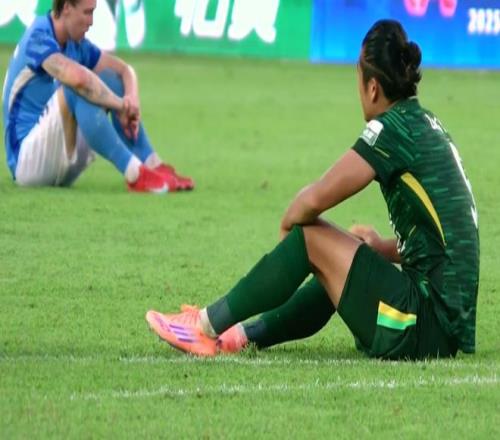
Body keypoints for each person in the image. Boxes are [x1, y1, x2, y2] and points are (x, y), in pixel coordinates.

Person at [146, 19, 479, 360]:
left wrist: (289, 231)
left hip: (420, 327)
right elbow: (444, 247)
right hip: (439, 330)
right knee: (340, 248)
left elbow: (314, 199)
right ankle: (240, 336)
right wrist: (379, 248)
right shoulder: (426, 124)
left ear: (372, 87)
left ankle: (203, 327)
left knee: (310, 238)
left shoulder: (391, 130)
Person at [2, 0, 193, 193]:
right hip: (27, 163)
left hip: (57, 157)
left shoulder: (74, 44)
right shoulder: (38, 37)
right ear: (66, 7)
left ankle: (152, 164)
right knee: (78, 86)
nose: (91, 21)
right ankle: (136, 174)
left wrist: (132, 99)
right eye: (87, 12)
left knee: (110, 79)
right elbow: (79, 80)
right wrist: (121, 106)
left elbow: (124, 70)